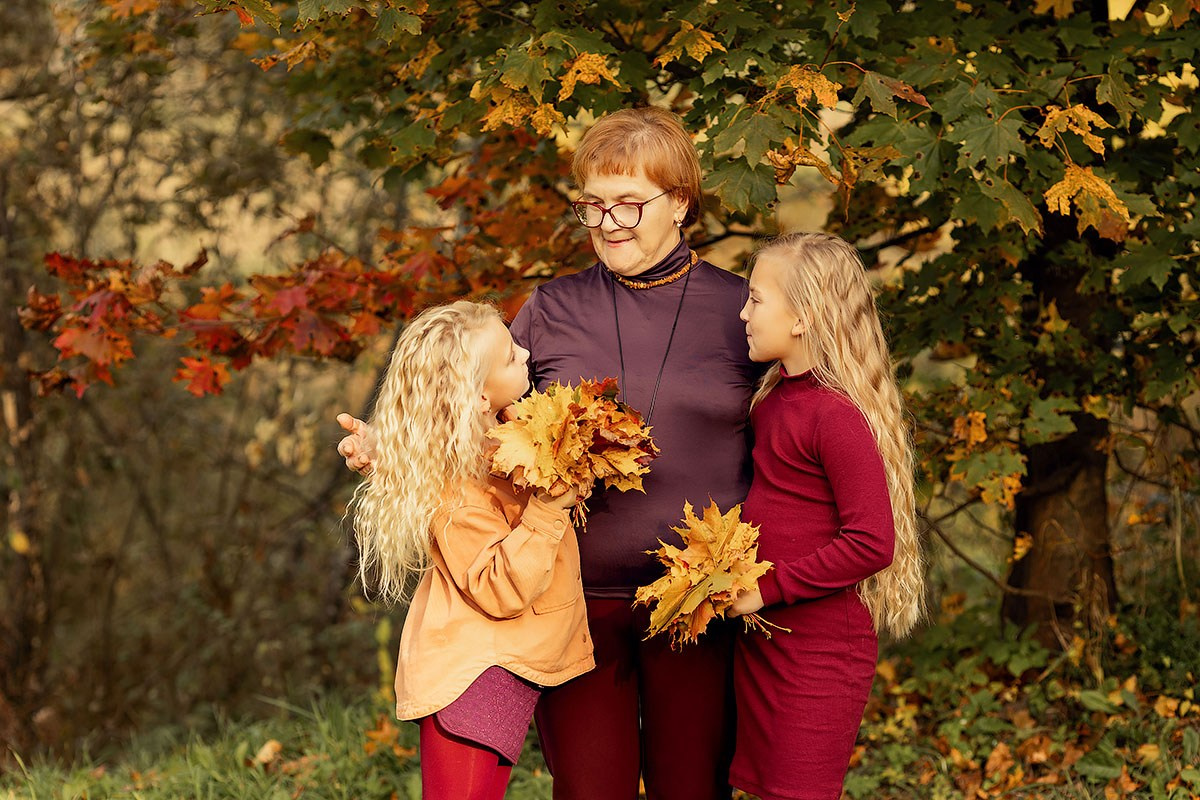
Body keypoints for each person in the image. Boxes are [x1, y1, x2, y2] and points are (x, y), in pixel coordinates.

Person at [338, 107, 761, 800]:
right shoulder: (552, 309)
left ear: (681, 202)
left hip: (698, 601)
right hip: (575, 606)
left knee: (693, 787)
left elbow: (792, 434)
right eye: (593, 205)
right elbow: (470, 408)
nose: (609, 224)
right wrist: (396, 447)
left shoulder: (739, 309)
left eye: (630, 204)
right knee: (592, 791)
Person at [345, 300, 594, 800]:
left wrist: (389, 452)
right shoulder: (456, 487)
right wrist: (549, 510)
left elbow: (440, 451)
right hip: (472, 674)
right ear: (480, 396)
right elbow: (499, 585)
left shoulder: (498, 438)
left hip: (500, 661)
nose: (525, 353)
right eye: (508, 356)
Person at [727, 232, 925, 800]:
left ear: (802, 318)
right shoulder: (773, 400)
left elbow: (871, 543)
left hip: (817, 655)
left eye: (756, 299)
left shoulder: (836, 415)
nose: (742, 313)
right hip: (765, 644)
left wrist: (767, 588)